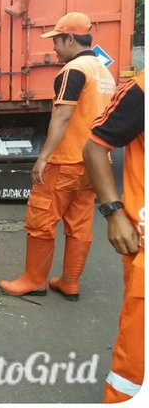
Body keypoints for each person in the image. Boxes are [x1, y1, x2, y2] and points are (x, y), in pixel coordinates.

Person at [0, 12, 114, 298]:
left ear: (70, 39)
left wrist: (43, 157)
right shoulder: (104, 71)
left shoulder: (72, 71)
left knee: (41, 218)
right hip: (95, 163)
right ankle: (69, 282)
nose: (54, 47)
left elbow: (63, 115)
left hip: (66, 160)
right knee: (80, 221)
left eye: (57, 41)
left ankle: (34, 280)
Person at [83, 71, 144, 401]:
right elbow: (94, 145)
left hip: (65, 169)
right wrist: (112, 210)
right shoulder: (139, 88)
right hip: (144, 243)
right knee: (136, 359)